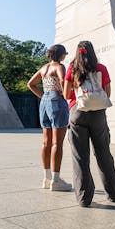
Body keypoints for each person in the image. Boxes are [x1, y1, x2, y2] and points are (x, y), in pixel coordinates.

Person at [63, 41, 115, 207]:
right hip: (98, 115)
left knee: (80, 157)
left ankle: (84, 198)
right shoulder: (101, 68)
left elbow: (67, 94)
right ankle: (114, 194)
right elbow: (107, 93)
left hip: (77, 114)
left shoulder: (72, 68)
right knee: (103, 155)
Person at [27, 44, 72, 192]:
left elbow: (30, 84)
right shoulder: (59, 66)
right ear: (61, 55)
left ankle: (46, 178)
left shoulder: (43, 68)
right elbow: (64, 81)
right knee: (57, 143)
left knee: (46, 142)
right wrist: (66, 93)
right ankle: (56, 180)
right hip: (56, 101)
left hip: (44, 102)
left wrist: (43, 96)